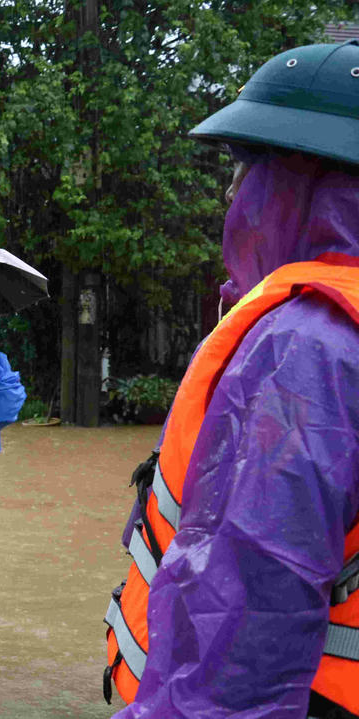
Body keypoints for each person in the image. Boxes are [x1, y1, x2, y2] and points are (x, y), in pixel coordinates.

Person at [104, 40, 359, 717]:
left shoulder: (305, 351)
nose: (232, 196)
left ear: (298, 185)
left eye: (246, 170)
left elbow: (242, 627)